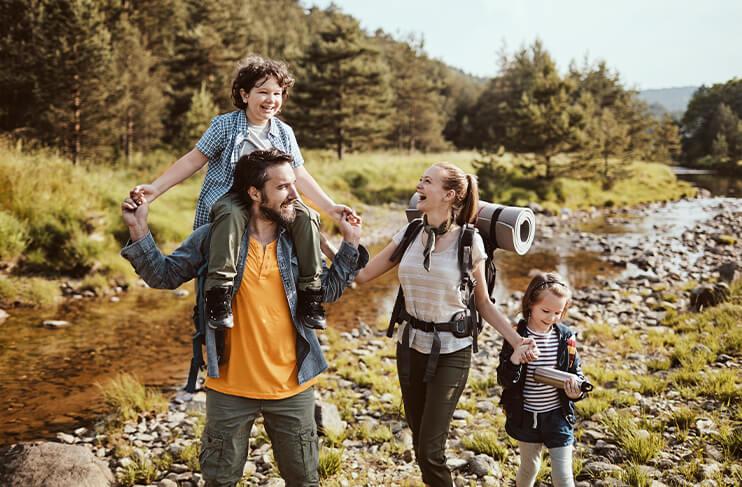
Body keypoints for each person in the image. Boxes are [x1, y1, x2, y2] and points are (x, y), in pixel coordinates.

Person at [121, 149, 367, 487]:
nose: (294, 195)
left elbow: (327, 291)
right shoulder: (214, 237)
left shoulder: (298, 240)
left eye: (294, 185)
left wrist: (350, 245)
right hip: (229, 388)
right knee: (220, 481)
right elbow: (163, 275)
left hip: (293, 385)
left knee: (304, 479)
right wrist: (139, 230)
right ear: (254, 192)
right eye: (282, 187)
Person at [130, 55, 353, 331]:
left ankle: (310, 294)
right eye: (263, 92)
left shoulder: (284, 132)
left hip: (274, 205)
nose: (271, 99)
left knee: (306, 215)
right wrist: (155, 188)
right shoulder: (224, 126)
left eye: (277, 93)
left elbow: (300, 175)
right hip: (231, 198)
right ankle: (219, 292)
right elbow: (193, 160)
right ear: (245, 94)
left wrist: (330, 207)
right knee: (233, 211)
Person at [353, 163, 538, 487]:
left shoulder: (469, 242)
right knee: (418, 437)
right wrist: (341, 240)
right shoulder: (410, 233)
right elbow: (363, 274)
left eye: (427, 181)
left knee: (430, 450)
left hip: (452, 352)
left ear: (449, 195)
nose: (418, 184)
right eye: (420, 179)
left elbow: (483, 303)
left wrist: (516, 340)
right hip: (409, 347)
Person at [497, 272, 586, 487]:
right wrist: (515, 359)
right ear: (530, 304)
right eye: (545, 311)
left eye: (558, 312)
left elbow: (577, 371)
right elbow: (504, 380)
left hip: (558, 415)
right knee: (529, 467)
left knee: (564, 477)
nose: (551, 317)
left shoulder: (565, 337)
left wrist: (577, 392)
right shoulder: (516, 336)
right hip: (527, 417)